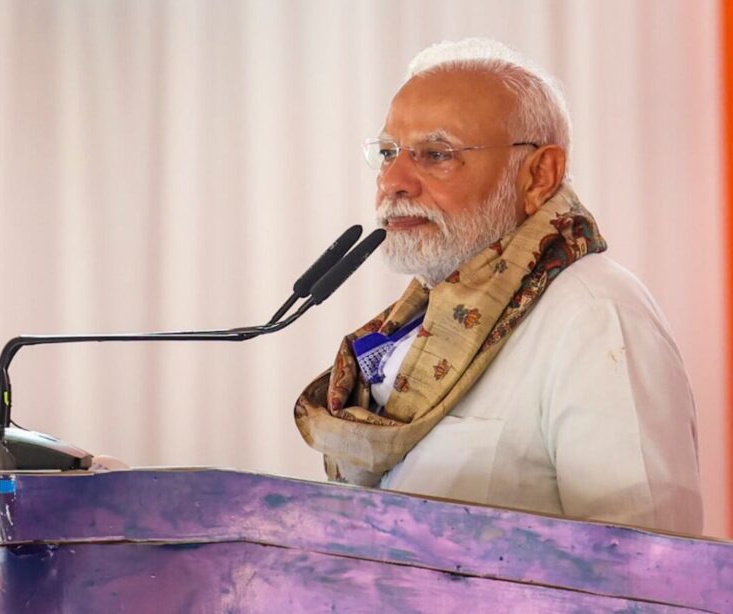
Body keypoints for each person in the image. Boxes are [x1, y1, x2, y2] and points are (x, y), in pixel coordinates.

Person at [294, 38, 703, 535]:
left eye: (436, 154)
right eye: (387, 153)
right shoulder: (419, 324)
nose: (394, 181)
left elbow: (648, 572)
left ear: (538, 175)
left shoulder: (596, 315)